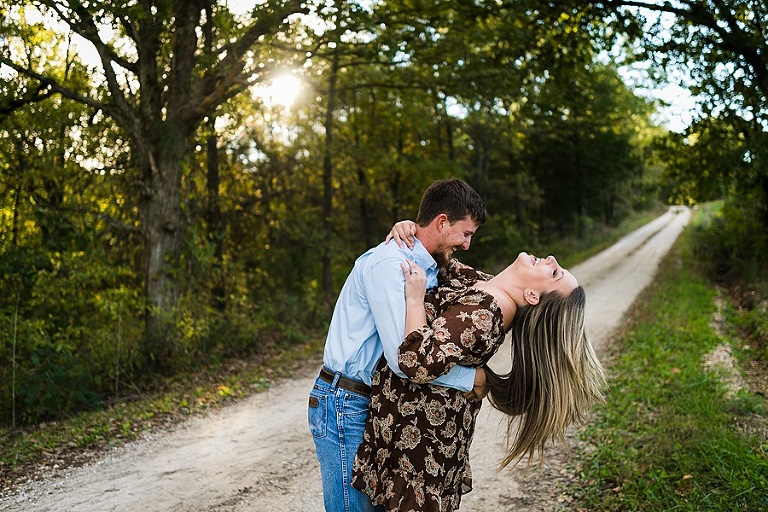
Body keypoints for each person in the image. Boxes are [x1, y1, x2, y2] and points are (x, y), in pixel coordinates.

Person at [351, 245, 606, 512]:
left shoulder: (485, 315)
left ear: (531, 295)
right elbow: (441, 263)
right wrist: (410, 232)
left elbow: (416, 361)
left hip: (419, 448)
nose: (552, 258)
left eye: (554, 272)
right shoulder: (488, 286)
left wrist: (414, 299)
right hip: (414, 439)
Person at [308, 178, 488, 512]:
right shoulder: (394, 266)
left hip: (377, 404)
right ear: (442, 222)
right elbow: (402, 358)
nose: (466, 245)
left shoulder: (428, 266)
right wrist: (470, 379)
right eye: (466, 234)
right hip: (347, 401)